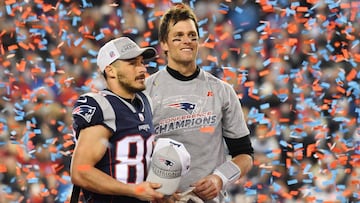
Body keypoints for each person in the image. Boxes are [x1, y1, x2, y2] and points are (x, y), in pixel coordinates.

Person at [145, 3, 254, 203]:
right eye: (178, 36)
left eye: (192, 36)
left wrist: (219, 178)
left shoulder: (222, 91)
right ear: (164, 44)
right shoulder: (145, 92)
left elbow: (245, 155)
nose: (187, 41)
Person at [70, 37, 164, 203]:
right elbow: (80, 171)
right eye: (132, 63)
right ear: (111, 70)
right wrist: (133, 190)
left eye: (142, 62)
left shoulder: (145, 101)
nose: (142, 69)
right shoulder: (102, 105)